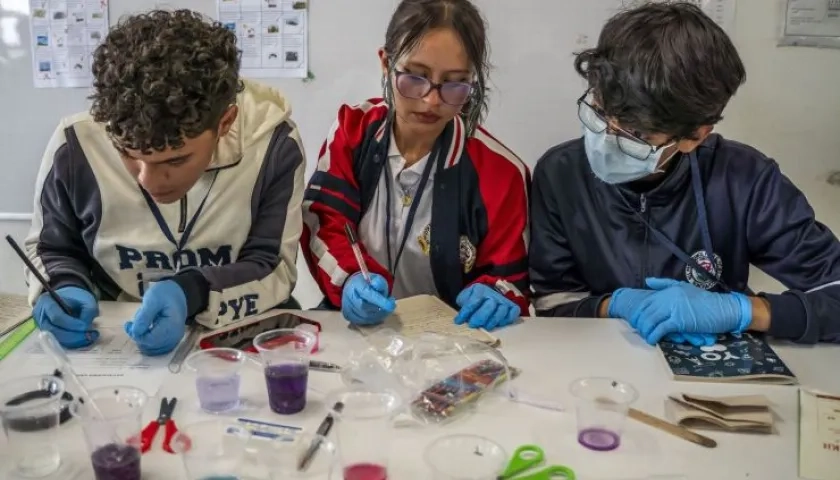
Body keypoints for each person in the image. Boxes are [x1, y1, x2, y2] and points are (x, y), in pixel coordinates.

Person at [530, 2, 840, 346]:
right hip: (600, 373)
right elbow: (552, 301)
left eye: (637, 136)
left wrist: (743, 311)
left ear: (695, 136)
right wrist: (612, 306)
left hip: (713, 375)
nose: (606, 140)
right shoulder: (560, 174)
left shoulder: (745, 181)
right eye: (600, 113)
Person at [24, 10, 306, 354]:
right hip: (113, 338)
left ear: (225, 122)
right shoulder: (75, 147)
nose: (149, 180)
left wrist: (192, 291)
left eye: (176, 160)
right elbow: (54, 248)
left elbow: (271, 264)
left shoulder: (274, 146)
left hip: (239, 336)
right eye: (128, 154)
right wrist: (63, 286)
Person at [301, 0, 530, 330]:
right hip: (360, 331)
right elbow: (326, 222)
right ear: (386, 63)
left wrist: (498, 293)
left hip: (453, 339)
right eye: (415, 77)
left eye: (454, 83)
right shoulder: (352, 132)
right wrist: (350, 279)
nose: (431, 100)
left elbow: (510, 278)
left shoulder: (501, 172)